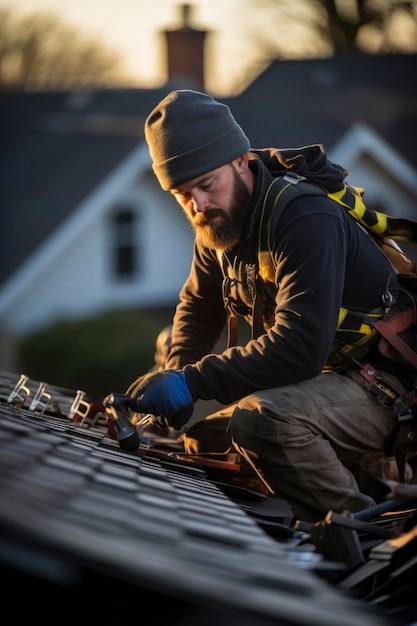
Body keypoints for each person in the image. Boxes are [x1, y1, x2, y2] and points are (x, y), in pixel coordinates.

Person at [127, 89, 417, 523]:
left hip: (386, 387)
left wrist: (193, 381)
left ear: (241, 161)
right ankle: (359, 488)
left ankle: (367, 534)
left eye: (207, 185)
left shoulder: (304, 217)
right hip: (326, 384)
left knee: (260, 421)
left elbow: (300, 346)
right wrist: (177, 369)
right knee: (205, 442)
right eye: (183, 194)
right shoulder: (218, 223)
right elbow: (200, 306)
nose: (198, 205)